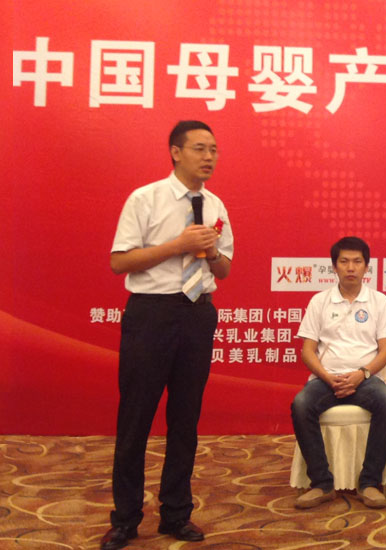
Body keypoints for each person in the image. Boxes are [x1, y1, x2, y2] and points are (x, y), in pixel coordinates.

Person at [102, 121, 233, 550]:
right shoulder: (146, 198)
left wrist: (210, 251)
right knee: (136, 418)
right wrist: (177, 245)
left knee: (185, 419)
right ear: (176, 152)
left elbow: (225, 269)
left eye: (213, 149)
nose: (209, 157)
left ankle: (176, 513)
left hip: (197, 314)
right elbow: (120, 262)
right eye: (199, 148)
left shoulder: (215, 204)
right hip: (152, 314)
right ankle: (125, 519)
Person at [290, 237, 386, 510]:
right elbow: (307, 351)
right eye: (344, 261)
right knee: (301, 404)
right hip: (326, 379)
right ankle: (322, 484)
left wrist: (362, 374)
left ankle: (370, 482)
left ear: (366, 267)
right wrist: (327, 377)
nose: (351, 267)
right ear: (334, 266)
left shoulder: (379, 301)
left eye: (357, 262)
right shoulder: (320, 301)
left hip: (366, 379)